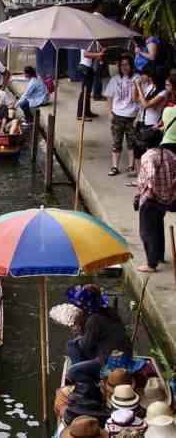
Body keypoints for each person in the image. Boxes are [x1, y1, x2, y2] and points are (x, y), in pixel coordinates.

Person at [66, 284, 132, 385]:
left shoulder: (94, 319)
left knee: (72, 371)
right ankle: (85, 369)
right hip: (123, 353)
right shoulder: (110, 311)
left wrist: (78, 328)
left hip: (110, 360)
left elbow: (86, 346)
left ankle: (89, 383)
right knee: (72, 344)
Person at [134, 129, 176, 272]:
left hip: (151, 198)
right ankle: (159, 256)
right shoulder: (170, 154)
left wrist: (149, 190)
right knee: (158, 226)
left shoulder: (148, 156)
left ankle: (151, 263)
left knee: (147, 231)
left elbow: (151, 176)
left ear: (145, 143)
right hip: (166, 198)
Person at [105, 55, 139, 176]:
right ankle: (115, 166)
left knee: (132, 143)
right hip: (117, 115)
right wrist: (109, 112)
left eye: (127, 64)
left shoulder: (137, 78)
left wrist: (138, 116)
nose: (125, 67)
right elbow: (109, 96)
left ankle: (131, 166)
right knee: (116, 142)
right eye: (122, 65)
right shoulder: (115, 79)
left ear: (131, 66)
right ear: (119, 66)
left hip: (132, 115)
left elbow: (140, 98)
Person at [77, 46, 105, 121]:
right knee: (85, 92)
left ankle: (87, 112)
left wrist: (99, 55)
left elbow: (94, 57)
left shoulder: (92, 44)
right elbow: (86, 54)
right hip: (84, 68)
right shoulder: (87, 43)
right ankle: (80, 114)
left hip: (89, 68)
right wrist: (99, 54)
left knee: (88, 92)